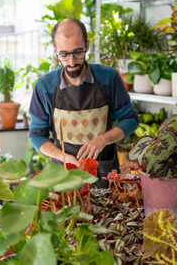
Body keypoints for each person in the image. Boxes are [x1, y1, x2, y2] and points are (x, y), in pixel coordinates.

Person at [28, 18, 139, 187]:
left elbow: (130, 119)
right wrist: (64, 158)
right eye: (64, 55)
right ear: (55, 50)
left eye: (78, 52)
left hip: (105, 173)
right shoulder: (45, 86)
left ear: (87, 45)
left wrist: (102, 140)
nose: (71, 62)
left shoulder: (108, 77)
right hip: (63, 174)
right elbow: (36, 135)